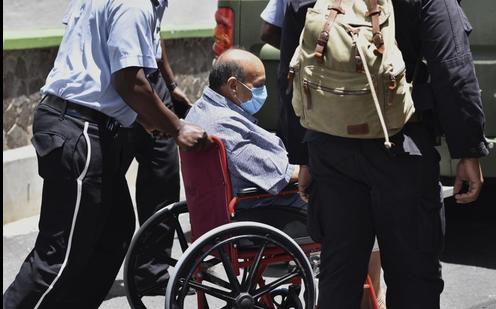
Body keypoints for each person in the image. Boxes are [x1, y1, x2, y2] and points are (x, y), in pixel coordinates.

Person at [3, 0, 208, 308]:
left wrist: (146, 118)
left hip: (91, 125)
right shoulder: (135, 5)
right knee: (58, 258)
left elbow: (97, 67)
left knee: (112, 234)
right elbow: (130, 81)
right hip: (80, 128)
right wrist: (177, 128)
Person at [295, 0, 489, 308]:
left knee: (338, 273)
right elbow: (453, 70)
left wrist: (302, 153)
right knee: (414, 277)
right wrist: (468, 150)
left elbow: (294, 68)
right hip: (402, 149)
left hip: (330, 149)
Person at [260, 1, 385, 307]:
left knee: (339, 256)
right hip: (389, 130)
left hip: (325, 133)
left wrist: (324, 49)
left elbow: (273, 41)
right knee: (404, 253)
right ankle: (375, 299)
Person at [185, 49, 309, 233]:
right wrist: (316, 170)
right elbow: (278, 173)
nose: (263, 93)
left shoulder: (200, 109)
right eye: (258, 85)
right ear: (233, 85)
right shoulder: (223, 125)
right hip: (260, 210)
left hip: (241, 203)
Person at [125, 38, 193, 295]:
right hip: (125, 81)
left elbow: (156, 35)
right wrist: (178, 128)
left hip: (152, 79)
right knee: (105, 189)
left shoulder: (154, 8)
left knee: (162, 179)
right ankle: (84, 267)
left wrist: (170, 83)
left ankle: (152, 272)